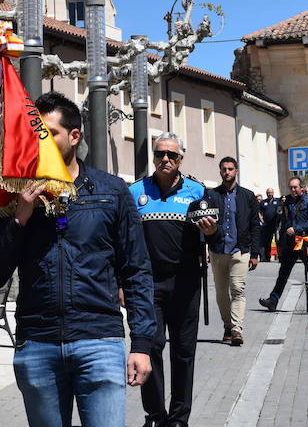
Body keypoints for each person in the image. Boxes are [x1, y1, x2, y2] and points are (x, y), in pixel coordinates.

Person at [0, 92, 156, 427]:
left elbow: (136, 271)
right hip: (38, 345)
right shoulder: (16, 194)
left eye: (48, 134)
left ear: (74, 136)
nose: (39, 141)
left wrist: (142, 344)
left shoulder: (111, 191)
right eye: (35, 134)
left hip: (99, 342)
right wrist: (20, 218)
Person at [129, 132, 218, 427]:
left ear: (181, 159)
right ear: (153, 157)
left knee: (183, 351)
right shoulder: (135, 192)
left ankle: (180, 418)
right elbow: (124, 241)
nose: (165, 159)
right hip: (147, 285)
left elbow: (216, 236)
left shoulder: (197, 191)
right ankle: (155, 415)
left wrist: (210, 233)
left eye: (172, 155)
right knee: (150, 347)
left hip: (185, 283)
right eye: (159, 154)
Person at [207, 157, 260, 346]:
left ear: (236, 171)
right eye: (224, 169)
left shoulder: (248, 196)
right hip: (218, 250)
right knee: (221, 293)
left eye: (230, 169)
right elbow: (203, 224)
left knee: (238, 289)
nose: (227, 172)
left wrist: (255, 253)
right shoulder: (212, 195)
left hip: (241, 250)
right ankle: (227, 326)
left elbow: (255, 225)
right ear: (220, 171)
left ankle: (237, 329)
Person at [259, 176, 308, 312]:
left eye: (295, 187)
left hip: (304, 241)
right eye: (291, 187)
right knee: (283, 272)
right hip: (290, 243)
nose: (293, 190)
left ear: (301, 188)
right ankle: (273, 301)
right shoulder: (287, 201)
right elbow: (284, 219)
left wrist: (297, 229)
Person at [259, 188, 281, 262]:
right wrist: (262, 220)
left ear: (273, 193)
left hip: (276, 224)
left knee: (278, 240)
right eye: (268, 192)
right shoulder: (263, 202)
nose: (270, 194)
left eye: (271, 192)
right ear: (266, 193)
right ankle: (266, 257)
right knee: (267, 241)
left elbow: (281, 208)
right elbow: (259, 212)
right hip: (266, 225)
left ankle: (280, 257)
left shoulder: (277, 201)